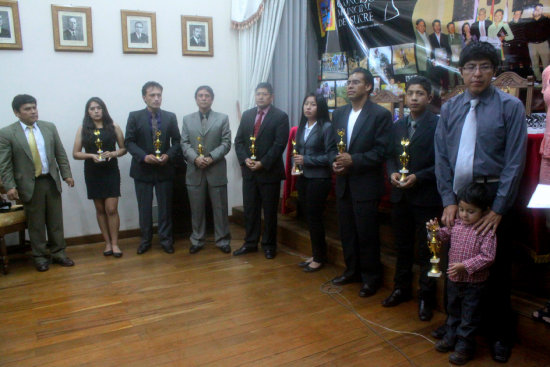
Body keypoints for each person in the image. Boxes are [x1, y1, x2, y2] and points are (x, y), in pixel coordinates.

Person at [434, 42, 527, 363]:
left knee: (496, 270)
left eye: (484, 66)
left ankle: (502, 334)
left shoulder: (509, 107)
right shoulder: (450, 108)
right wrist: (448, 201)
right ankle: (455, 328)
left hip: (493, 201)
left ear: (494, 70)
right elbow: (441, 158)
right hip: (458, 202)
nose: (477, 73)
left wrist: (500, 208)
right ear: (461, 71)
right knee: (457, 267)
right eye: (471, 66)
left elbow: (515, 161)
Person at [382, 76, 442, 321]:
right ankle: (401, 288)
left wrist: (418, 176)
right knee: (402, 246)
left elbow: (442, 164)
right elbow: (389, 157)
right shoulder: (397, 126)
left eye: (420, 94)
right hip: (401, 196)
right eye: (411, 94)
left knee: (426, 250)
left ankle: (426, 297)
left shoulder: (438, 125)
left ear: (429, 98)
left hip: (426, 197)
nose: (414, 98)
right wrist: (393, 173)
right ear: (405, 97)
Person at [331, 68, 393, 297]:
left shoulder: (379, 115)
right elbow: (331, 147)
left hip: (366, 184)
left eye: (355, 82)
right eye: (348, 82)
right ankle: (352, 271)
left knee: (366, 234)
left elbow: (381, 152)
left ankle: (371, 278)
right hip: (344, 183)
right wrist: (334, 162)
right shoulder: (339, 114)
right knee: (347, 232)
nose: (350, 86)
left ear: (368, 86)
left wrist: (353, 160)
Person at [0, 94, 75, 272]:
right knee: (36, 223)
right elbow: (5, 163)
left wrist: (67, 175)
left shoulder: (48, 128)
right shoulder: (7, 133)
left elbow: (60, 154)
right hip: (29, 184)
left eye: (34, 107)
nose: (33, 111)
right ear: (17, 113)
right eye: (27, 109)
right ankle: (40, 256)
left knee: (56, 221)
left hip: (50, 181)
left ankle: (59, 253)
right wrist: (10, 186)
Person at [429, 183, 497, 365]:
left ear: (484, 211)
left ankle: (464, 347)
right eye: (461, 209)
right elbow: (441, 236)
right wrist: (433, 231)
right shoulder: (456, 224)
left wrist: (465, 266)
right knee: (452, 311)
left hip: (474, 284)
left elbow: (488, 257)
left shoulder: (486, 231)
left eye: (471, 211)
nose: (464, 215)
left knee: (469, 317)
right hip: (454, 280)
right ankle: (451, 338)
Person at [233, 82, 289, 259]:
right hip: (249, 171)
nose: (261, 97)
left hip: (269, 172)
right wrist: (245, 159)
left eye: (265, 94)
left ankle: (269, 245)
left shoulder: (280, 116)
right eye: (258, 94)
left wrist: (263, 163)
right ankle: (250, 243)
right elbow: (239, 141)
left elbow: (279, 144)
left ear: (271, 97)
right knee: (250, 210)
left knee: (270, 211)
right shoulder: (248, 115)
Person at [125, 81, 181, 255]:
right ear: (144, 98)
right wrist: (144, 156)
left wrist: (168, 155)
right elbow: (129, 142)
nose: (156, 99)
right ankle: (145, 240)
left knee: (165, 207)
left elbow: (177, 141)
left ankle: (166, 240)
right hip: (143, 169)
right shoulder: (134, 116)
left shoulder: (170, 117)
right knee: (145, 207)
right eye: (152, 95)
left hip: (164, 168)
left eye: (159, 95)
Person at [72, 97, 126, 257]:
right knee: (100, 209)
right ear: (87, 112)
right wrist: (91, 155)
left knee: (111, 209)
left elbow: (124, 148)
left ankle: (115, 244)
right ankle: (107, 243)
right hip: (93, 172)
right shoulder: (83, 129)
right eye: (92, 108)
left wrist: (114, 153)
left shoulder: (113, 126)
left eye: (98, 108)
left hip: (110, 171)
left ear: (104, 109)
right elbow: (75, 153)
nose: (96, 111)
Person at [181, 86, 232, 254]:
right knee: (196, 209)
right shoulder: (187, 119)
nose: (204, 98)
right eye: (200, 96)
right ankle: (197, 239)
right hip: (195, 171)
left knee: (220, 208)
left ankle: (223, 240)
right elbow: (184, 143)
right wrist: (195, 158)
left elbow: (226, 143)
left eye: (207, 96)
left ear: (212, 99)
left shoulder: (222, 118)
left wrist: (210, 157)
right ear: (196, 99)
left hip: (215, 169)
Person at [293, 93, 337, 272]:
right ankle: (316, 253)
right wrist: (297, 163)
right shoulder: (303, 126)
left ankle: (320, 258)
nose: (308, 107)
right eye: (306, 104)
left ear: (320, 107)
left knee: (315, 218)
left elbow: (330, 156)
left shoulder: (326, 127)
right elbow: (299, 151)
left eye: (312, 104)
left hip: (319, 178)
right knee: (309, 218)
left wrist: (307, 160)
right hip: (304, 177)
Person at [525, 3, 550, 81]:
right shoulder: (528, 22)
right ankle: (539, 80)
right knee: (534, 65)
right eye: (536, 9)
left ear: (542, 10)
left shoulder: (547, 21)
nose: (537, 11)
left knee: (546, 64)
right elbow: (526, 34)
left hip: (543, 44)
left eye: (539, 9)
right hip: (532, 45)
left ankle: (546, 81)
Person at [429, 19, 451, 94]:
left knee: (445, 79)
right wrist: (432, 61)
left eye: (439, 25)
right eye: (436, 25)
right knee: (436, 79)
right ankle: (438, 96)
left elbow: (448, 49)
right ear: (433, 27)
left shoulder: (445, 36)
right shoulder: (430, 37)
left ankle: (447, 94)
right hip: (436, 62)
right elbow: (430, 50)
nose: (437, 27)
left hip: (444, 61)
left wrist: (448, 59)